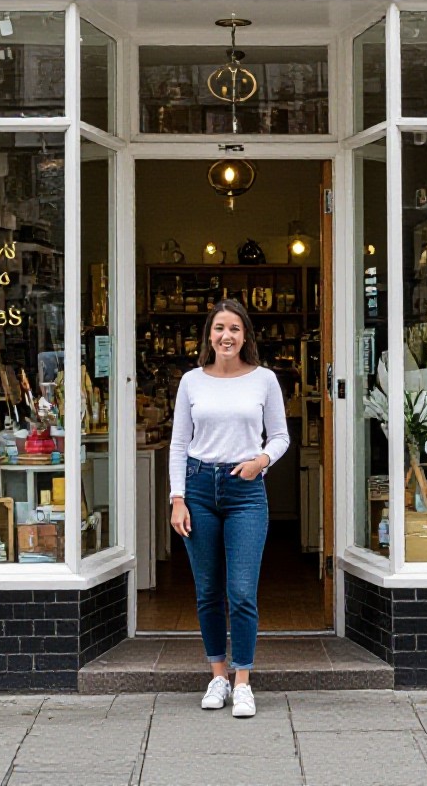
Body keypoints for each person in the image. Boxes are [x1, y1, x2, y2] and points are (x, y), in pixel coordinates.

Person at [168, 299, 289, 718]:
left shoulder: (265, 380)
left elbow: (280, 436)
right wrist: (177, 498)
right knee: (207, 591)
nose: (226, 336)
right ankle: (217, 675)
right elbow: (179, 444)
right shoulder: (191, 382)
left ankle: (243, 681)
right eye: (219, 327)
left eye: (234, 328)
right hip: (199, 488)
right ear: (209, 335)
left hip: (246, 491)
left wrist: (261, 462)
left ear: (245, 336)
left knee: (241, 591)